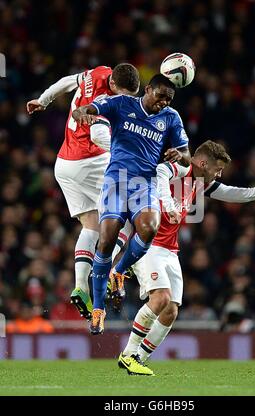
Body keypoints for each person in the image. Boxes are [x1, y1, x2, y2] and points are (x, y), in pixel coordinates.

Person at [118, 140, 255, 375]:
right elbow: (160, 172)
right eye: (217, 169)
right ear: (202, 163)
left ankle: (139, 359)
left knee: (171, 311)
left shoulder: (201, 183)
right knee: (160, 298)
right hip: (147, 244)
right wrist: (169, 203)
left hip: (170, 250)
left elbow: (230, 193)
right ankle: (128, 354)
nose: (219, 174)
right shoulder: (180, 170)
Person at [72, 74, 191, 345]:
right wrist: (82, 112)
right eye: (160, 95)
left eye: (168, 99)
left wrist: (178, 155)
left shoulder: (171, 118)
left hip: (144, 183)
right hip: (116, 179)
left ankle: (119, 271)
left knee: (149, 228)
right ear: (147, 89)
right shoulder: (122, 103)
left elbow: (186, 154)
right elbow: (92, 109)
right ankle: (98, 308)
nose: (163, 102)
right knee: (107, 239)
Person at [26, 63, 140, 320]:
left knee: (90, 225)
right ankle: (114, 270)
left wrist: (43, 100)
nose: (124, 99)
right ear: (112, 85)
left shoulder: (98, 72)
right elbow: (99, 134)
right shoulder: (105, 98)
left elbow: (67, 80)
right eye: (121, 93)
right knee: (131, 214)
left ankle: (81, 286)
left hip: (64, 164)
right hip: (91, 162)